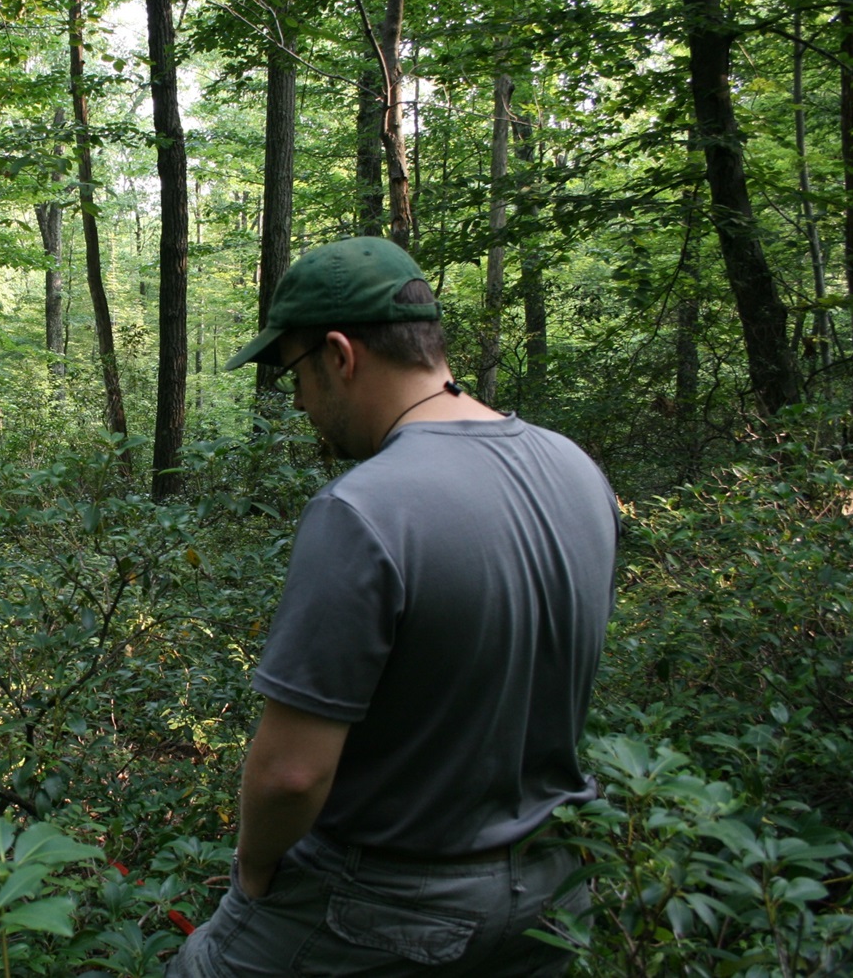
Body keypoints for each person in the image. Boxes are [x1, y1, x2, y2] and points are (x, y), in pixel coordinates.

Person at [168, 237, 620, 977]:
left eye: (294, 375)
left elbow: (291, 774)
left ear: (340, 354)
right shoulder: (575, 468)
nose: (301, 405)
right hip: (557, 890)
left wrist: (252, 878)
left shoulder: (364, 507)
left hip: (388, 904)